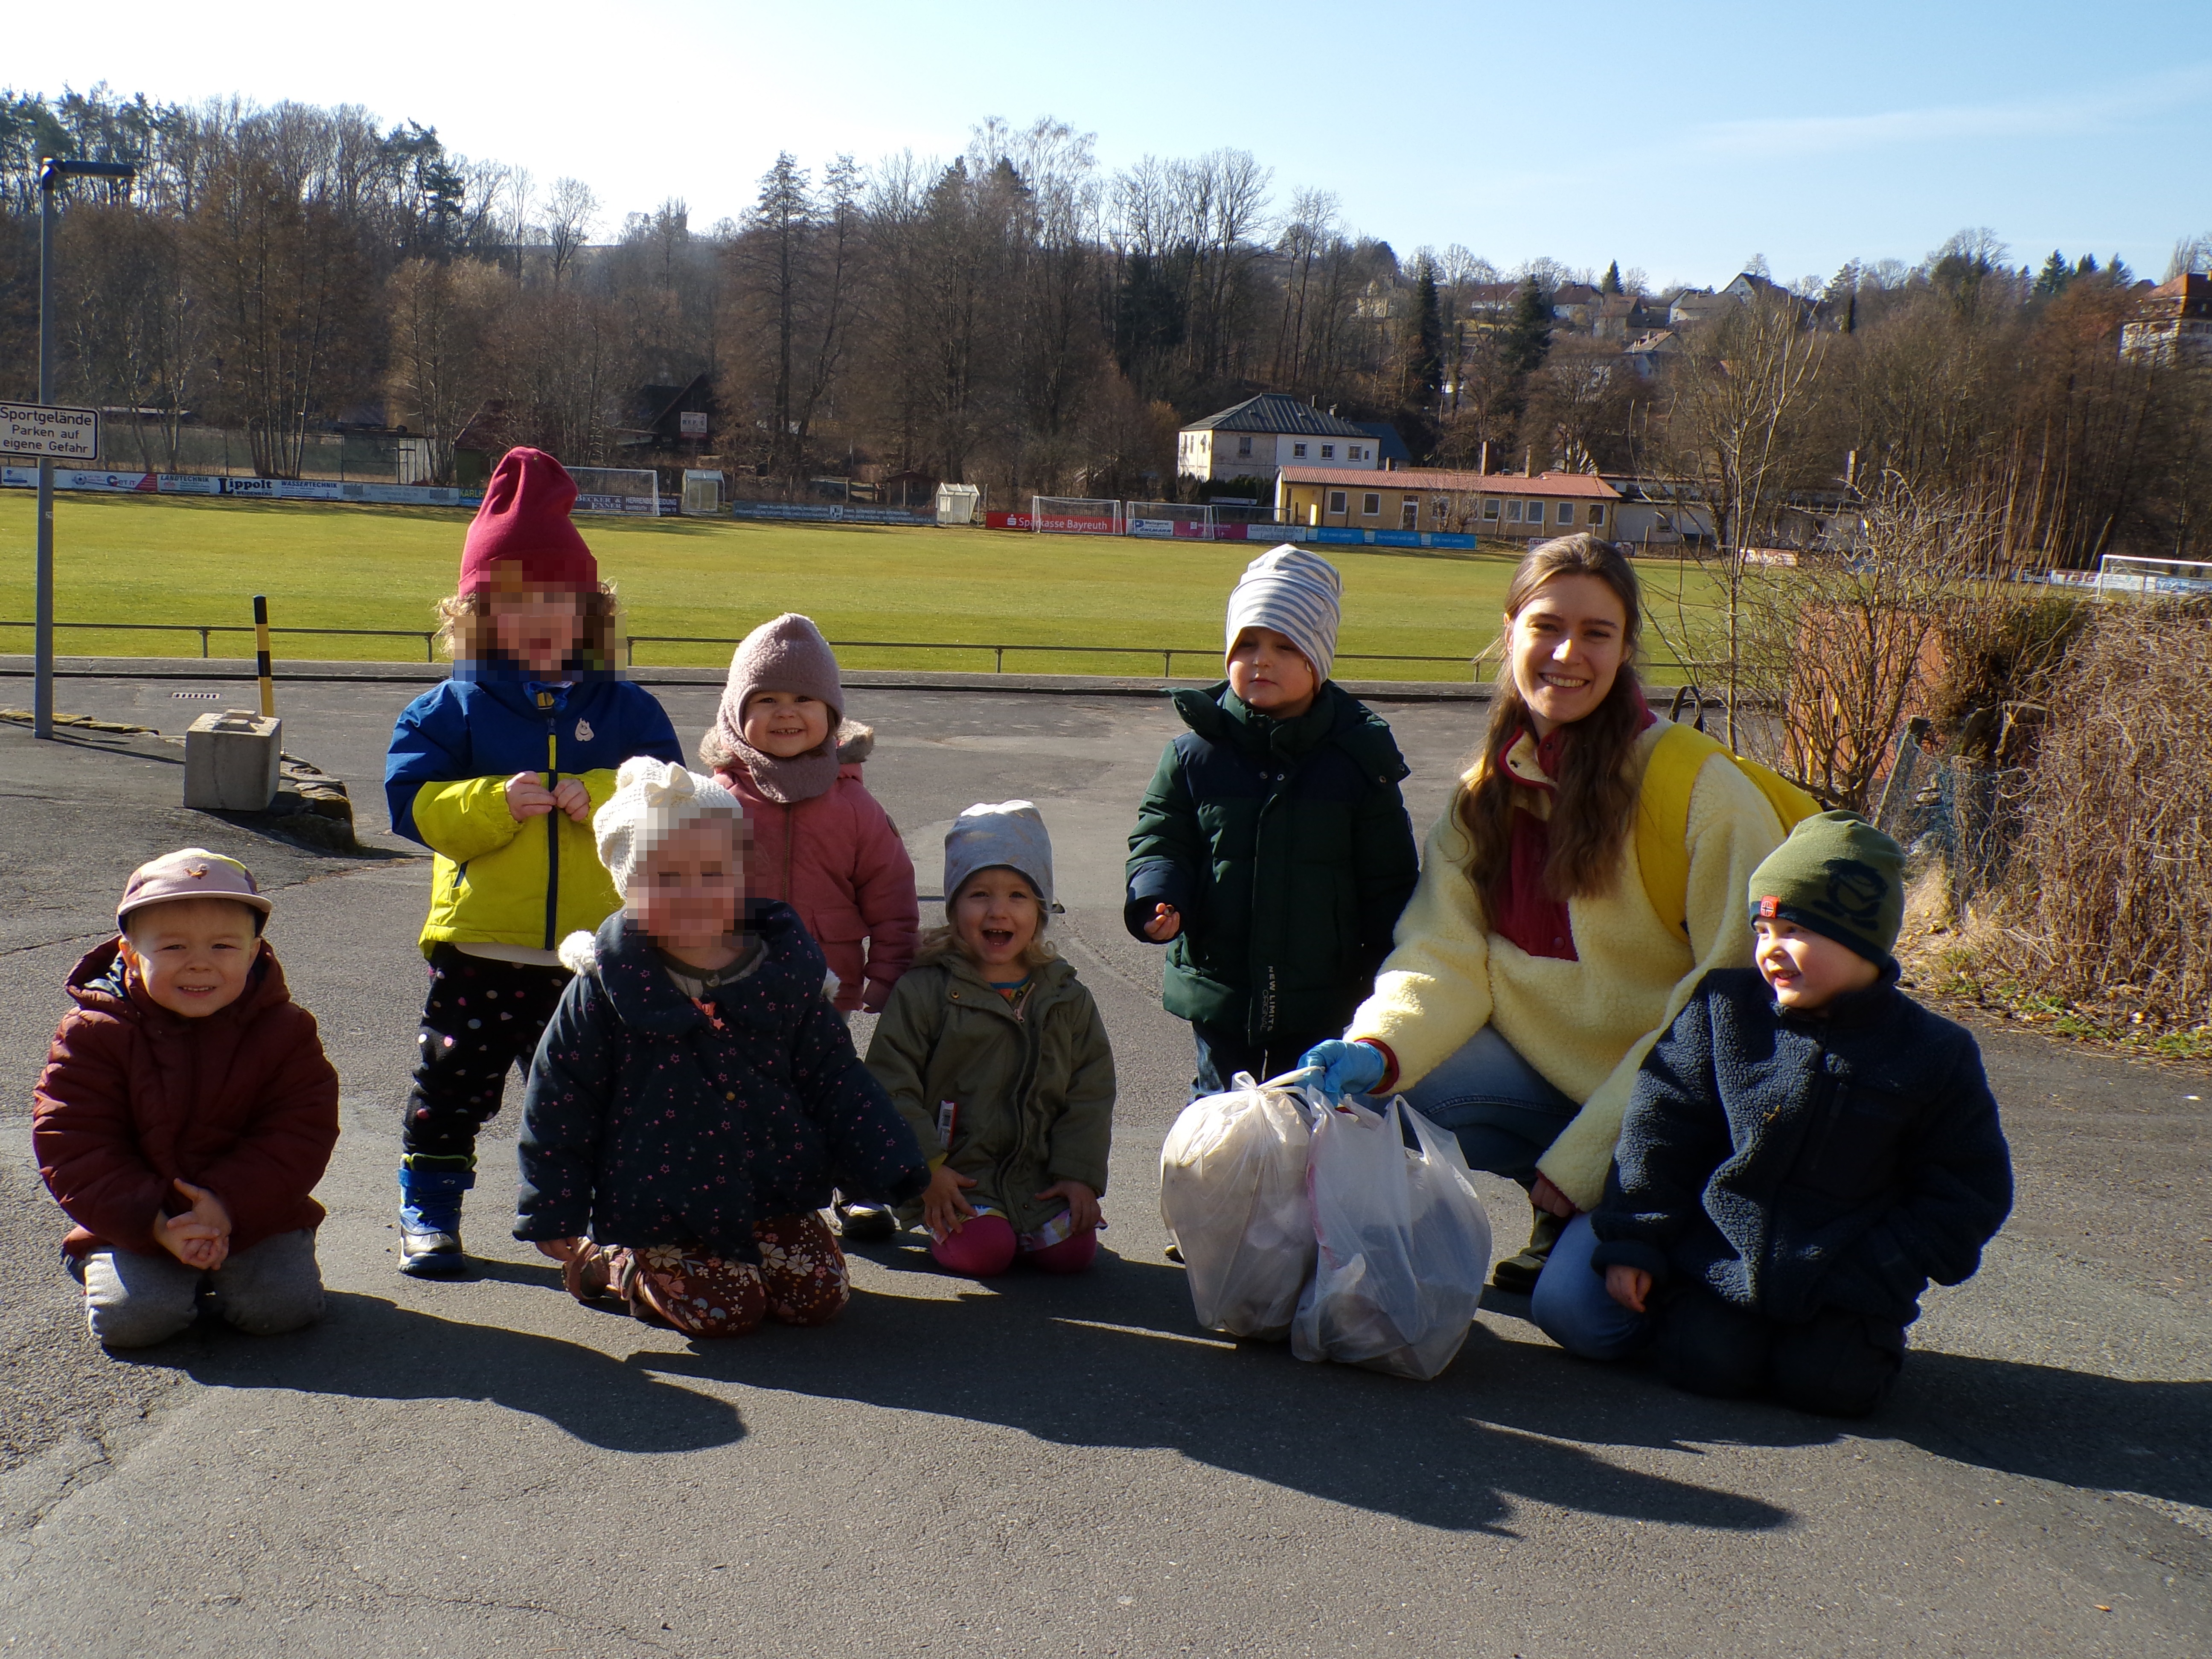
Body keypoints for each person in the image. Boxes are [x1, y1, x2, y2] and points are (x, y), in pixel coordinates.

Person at [1301, 533, 1787, 1296]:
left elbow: (1727, 1014)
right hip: (1549, 1084)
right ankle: (1434, 1262)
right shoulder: (1484, 796)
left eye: (1595, 633)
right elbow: (1440, 956)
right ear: (1509, 632)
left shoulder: (1701, 793)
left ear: (1625, 648)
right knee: (1387, 1092)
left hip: (1670, 1109)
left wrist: (1592, 1156)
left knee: (1579, 1316)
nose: (1566, 652)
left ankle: (1679, 1232)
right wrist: (1377, 1045)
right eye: (1546, 626)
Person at [1578, 813, 2014, 1415]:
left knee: (1833, 1387)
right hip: (1721, 1265)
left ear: (1861, 940)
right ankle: (1726, 1329)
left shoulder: (1932, 1052)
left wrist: (1886, 1268)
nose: (1770, 950)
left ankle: (1837, 1345)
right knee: (1703, 1364)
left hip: (1848, 1282)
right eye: (1763, 929)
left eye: (1795, 930)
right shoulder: (1723, 1013)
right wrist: (1637, 1241)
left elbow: (1969, 1187)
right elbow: (1661, 1127)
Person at [382, 447, 685, 1278]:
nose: (540, 616)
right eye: (515, 601)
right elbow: (410, 804)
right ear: (478, 612)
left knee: (597, 1097)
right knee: (452, 1088)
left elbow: (669, 795)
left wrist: (601, 791)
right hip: (483, 945)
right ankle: (429, 1210)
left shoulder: (626, 707)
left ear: (589, 610)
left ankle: (589, 1218)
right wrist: (490, 801)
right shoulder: (449, 707)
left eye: (558, 598)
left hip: (595, 949)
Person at [515, 760, 930, 1337]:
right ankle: (615, 1261)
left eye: (713, 872)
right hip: (660, 1203)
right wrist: (552, 1208)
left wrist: (901, 1169)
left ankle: (745, 1257)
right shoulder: (605, 989)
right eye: (665, 877)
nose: (694, 894)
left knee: (818, 1297)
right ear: (627, 886)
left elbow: (838, 1083)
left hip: (771, 1190)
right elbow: (560, 1104)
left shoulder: (784, 975)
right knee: (726, 1310)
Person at [1125, 545, 1419, 1097]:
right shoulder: (1195, 755)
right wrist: (1157, 897)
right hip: (1221, 986)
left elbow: (1389, 880)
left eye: (1286, 647)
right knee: (1220, 1123)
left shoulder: (1360, 759)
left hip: (1323, 994)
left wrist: (1391, 971)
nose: (1262, 660)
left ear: (1318, 660)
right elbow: (1160, 836)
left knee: (1306, 1125)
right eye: (1248, 644)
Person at [34, 850, 340, 1349]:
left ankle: (228, 1257)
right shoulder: (93, 1033)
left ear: (254, 951)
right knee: (135, 1322)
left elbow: (300, 1132)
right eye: (173, 946)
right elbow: (74, 1143)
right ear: (131, 953)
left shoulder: (286, 1031)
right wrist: (155, 1223)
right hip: (134, 1219)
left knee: (281, 1310)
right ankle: (117, 1262)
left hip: (254, 1212)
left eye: (224, 945)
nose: (200, 962)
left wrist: (225, 1205)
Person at [701, 611, 920, 1241]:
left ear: (832, 713)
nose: (786, 713)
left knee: (836, 1088)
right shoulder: (715, 800)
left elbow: (891, 893)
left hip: (828, 985)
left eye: (804, 699)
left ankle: (859, 1188)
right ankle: (754, 1190)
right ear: (734, 712)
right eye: (765, 700)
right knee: (741, 1094)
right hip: (733, 985)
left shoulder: (854, 804)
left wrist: (889, 973)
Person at [867, 802, 1117, 1278]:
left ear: (1040, 911)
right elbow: (889, 1083)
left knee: (1072, 1253)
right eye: (979, 894)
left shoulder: (1066, 996)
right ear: (954, 905)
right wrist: (927, 1171)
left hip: (1037, 1175)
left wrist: (1077, 1176)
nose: (998, 910)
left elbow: (1091, 1091)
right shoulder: (927, 990)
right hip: (957, 1178)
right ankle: (977, 1223)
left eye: (1018, 896)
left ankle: (1027, 1221)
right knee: (985, 1252)